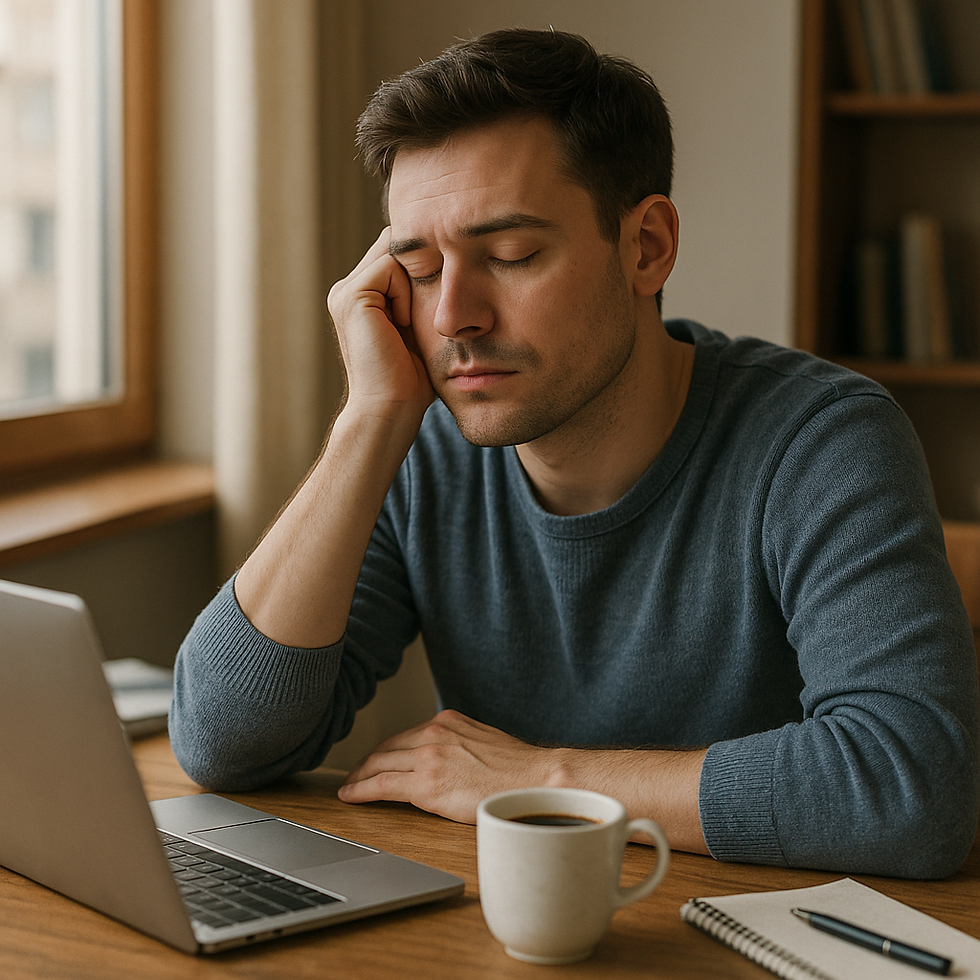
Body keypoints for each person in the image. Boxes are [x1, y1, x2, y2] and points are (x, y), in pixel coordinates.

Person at [170, 28, 980, 878]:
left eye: (510, 255)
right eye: (421, 268)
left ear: (646, 248)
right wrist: (367, 423)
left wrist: (540, 781)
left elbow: (913, 786)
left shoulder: (823, 442)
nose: (452, 317)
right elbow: (222, 743)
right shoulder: (422, 450)